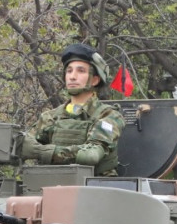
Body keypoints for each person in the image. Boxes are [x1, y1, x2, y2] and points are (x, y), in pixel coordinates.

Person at [22, 43, 124, 176]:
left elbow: (91, 155)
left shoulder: (109, 116)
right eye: (69, 71)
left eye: (80, 71)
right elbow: (24, 146)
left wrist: (43, 152)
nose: (72, 76)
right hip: (52, 185)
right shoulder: (51, 117)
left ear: (94, 80)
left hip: (97, 188)